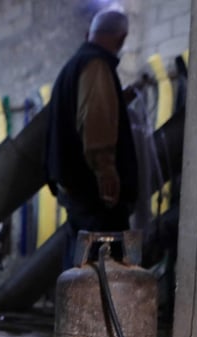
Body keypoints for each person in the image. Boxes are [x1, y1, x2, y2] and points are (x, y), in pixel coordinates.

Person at [45, 8, 138, 267]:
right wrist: (106, 170)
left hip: (76, 188)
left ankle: (74, 307)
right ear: (121, 39)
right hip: (94, 192)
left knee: (79, 266)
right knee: (102, 270)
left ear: (89, 33)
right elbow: (95, 118)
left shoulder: (72, 67)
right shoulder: (96, 65)